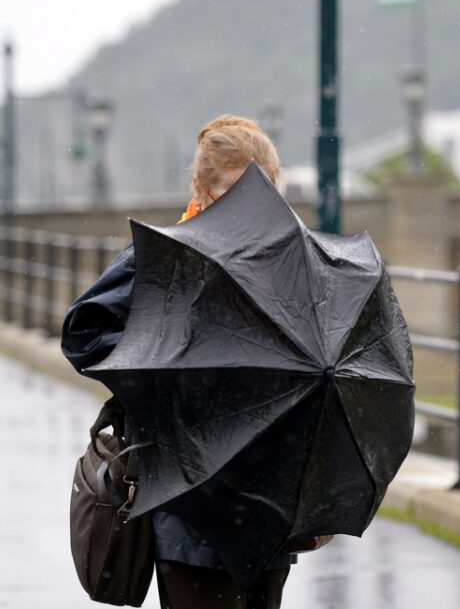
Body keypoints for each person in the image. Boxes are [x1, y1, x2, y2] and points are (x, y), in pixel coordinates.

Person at [63, 115, 322, 609]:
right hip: (185, 491)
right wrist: (163, 359)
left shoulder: (287, 266)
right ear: (202, 189)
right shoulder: (164, 257)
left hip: (266, 496)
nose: (250, 205)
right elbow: (84, 334)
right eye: (234, 190)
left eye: (264, 191)